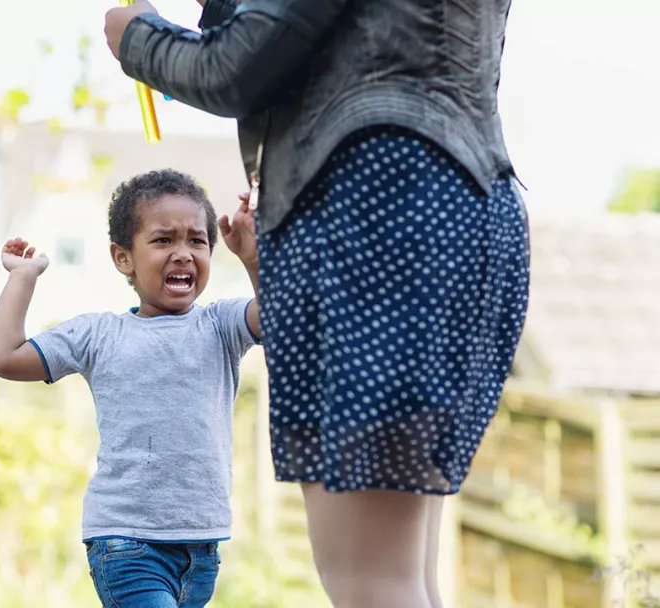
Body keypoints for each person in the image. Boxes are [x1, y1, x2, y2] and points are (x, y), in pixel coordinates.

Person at [103, 2, 530, 607]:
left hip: (373, 206)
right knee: (405, 574)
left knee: (370, 583)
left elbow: (236, 66)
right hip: (460, 199)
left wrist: (135, 39)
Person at [0, 169, 262, 608]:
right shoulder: (99, 335)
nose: (183, 253)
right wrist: (23, 277)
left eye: (196, 240)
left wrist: (253, 257)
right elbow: (5, 357)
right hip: (128, 544)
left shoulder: (220, 325)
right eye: (163, 240)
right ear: (123, 258)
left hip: (202, 548)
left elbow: (279, 317)